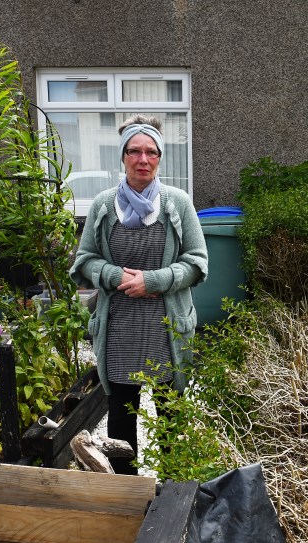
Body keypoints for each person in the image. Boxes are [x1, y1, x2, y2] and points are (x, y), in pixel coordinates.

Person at [70, 115, 208, 474]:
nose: (143, 159)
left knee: (171, 424)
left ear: (160, 158)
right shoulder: (103, 205)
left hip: (166, 331)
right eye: (135, 151)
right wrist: (114, 275)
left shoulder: (177, 203)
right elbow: (84, 261)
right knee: (120, 426)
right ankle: (127, 496)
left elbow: (197, 262)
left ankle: (175, 491)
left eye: (151, 152)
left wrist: (155, 280)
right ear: (123, 156)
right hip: (119, 332)